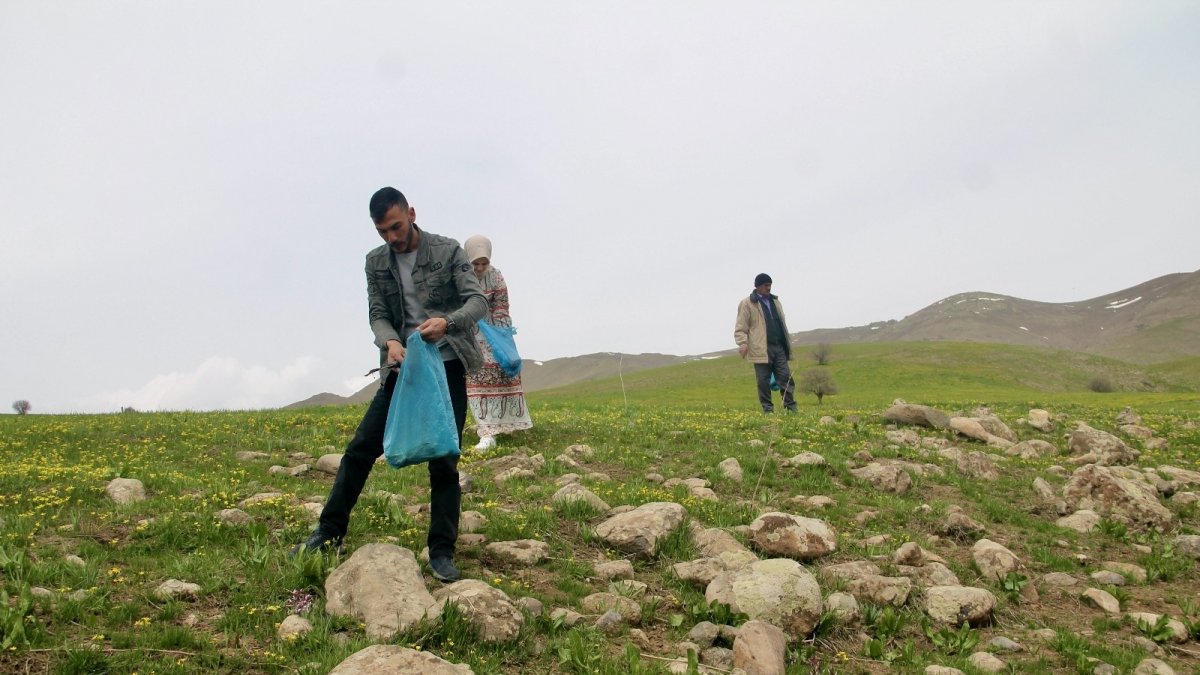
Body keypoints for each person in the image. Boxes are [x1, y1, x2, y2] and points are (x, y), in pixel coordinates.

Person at [290, 187, 487, 583]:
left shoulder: (448, 250)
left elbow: (477, 301)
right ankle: (328, 534)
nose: (392, 237)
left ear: (411, 213)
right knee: (360, 449)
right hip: (402, 368)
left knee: (444, 459)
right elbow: (377, 314)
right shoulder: (375, 262)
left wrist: (447, 322)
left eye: (396, 227)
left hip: (447, 365)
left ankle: (442, 551)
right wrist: (390, 341)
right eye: (383, 231)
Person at [461, 235, 533, 451]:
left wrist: (502, 338)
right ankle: (487, 432)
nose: (479, 268)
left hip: (493, 334)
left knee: (505, 375)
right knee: (476, 381)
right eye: (475, 263)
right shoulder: (460, 276)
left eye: (484, 263)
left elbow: (502, 306)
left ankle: (506, 425)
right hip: (469, 334)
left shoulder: (496, 277)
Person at [734, 273, 797, 413]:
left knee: (786, 378)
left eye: (770, 285)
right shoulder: (747, 303)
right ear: (757, 286)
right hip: (760, 348)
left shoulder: (776, 301)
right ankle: (768, 410)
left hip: (779, 346)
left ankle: (791, 409)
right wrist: (742, 343)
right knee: (763, 381)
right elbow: (741, 326)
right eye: (766, 285)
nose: (768, 288)